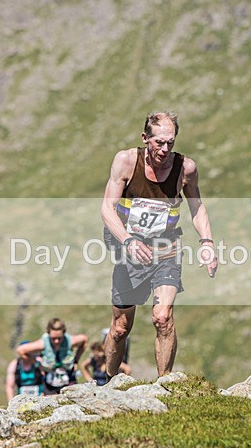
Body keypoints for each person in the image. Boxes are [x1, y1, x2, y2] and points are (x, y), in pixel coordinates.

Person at [101, 111, 218, 379]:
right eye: (159, 143)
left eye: (170, 143)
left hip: (166, 247)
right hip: (128, 248)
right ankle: (109, 381)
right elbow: (107, 209)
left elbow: (197, 207)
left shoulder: (186, 169)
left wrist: (207, 242)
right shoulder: (126, 161)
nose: (165, 149)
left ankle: (163, 383)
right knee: (120, 328)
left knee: (162, 317)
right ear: (145, 138)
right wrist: (128, 241)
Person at [17, 317, 88, 395]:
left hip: (69, 378)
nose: (56, 341)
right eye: (53, 338)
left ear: (63, 333)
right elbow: (21, 350)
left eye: (59, 338)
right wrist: (37, 363)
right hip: (50, 382)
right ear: (48, 333)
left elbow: (84, 340)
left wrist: (76, 361)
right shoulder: (43, 343)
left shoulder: (69, 340)